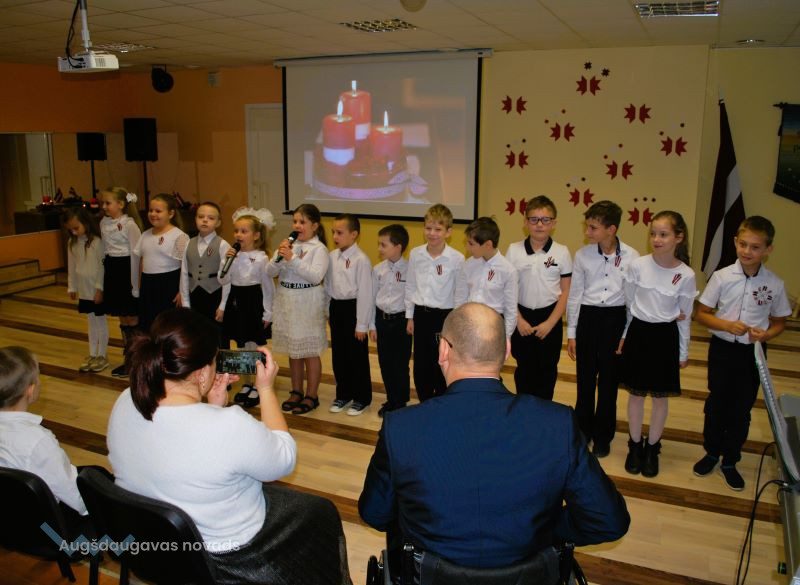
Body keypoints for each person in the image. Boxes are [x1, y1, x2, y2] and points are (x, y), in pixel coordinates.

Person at [359, 303, 629, 572]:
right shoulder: (557, 425)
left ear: (443, 351)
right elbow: (609, 521)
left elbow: (375, 513)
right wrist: (547, 529)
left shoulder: (401, 428)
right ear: (507, 350)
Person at [107, 308, 352, 585]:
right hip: (225, 557)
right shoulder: (228, 425)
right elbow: (284, 459)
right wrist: (266, 390)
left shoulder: (125, 400)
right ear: (201, 373)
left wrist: (212, 407)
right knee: (321, 512)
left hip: (151, 548)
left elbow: (184, 447)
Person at [693, 216, 792, 490]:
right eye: (743, 244)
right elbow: (701, 314)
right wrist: (726, 325)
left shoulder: (775, 284)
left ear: (768, 249)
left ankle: (730, 460)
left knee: (741, 408)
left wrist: (766, 334)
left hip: (752, 353)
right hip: (722, 350)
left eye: (755, 247)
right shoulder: (722, 277)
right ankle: (712, 452)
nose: (747, 251)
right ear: (736, 242)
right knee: (716, 403)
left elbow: (780, 321)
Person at [619, 210, 697, 478]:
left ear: (678, 237)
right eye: (653, 233)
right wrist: (625, 336)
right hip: (639, 334)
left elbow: (685, 318)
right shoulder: (638, 266)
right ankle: (634, 445)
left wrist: (683, 351)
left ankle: (653, 448)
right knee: (636, 394)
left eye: (663, 234)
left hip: (665, 338)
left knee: (661, 397)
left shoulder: (686, 275)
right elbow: (630, 306)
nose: (656, 239)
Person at [566, 201, 640, 458]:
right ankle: (583, 430)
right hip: (588, 318)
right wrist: (572, 333)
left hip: (615, 320)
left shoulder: (632, 257)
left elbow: (633, 300)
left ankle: (603, 435)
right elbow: (575, 295)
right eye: (587, 226)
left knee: (609, 383)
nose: (587, 232)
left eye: (593, 228)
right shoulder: (582, 255)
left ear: (611, 229)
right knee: (585, 380)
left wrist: (626, 334)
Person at [0, 346, 91, 536]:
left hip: (8, 522)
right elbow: (77, 499)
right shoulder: (37, 441)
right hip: (48, 533)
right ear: (30, 391)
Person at [506, 195, 572, 400]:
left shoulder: (562, 252)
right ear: (525, 222)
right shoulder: (514, 250)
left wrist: (550, 323)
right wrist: (518, 320)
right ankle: (524, 412)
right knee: (524, 370)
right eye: (534, 219)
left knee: (547, 371)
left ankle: (544, 413)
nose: (539, 225)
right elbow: (507, 290)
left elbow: (566, 291)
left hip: (550, 318)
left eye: (545, 220)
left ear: (554, 223)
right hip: (522, 317)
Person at [268, 204, 330, 416]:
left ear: (315, 225)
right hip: (287, 299)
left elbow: (315, 276)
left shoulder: (319, 249)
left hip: (307, 301)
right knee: (294, 350)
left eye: (302, 222)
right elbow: (269, 271)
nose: (297, 225)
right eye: (295, 221)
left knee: (309, 350)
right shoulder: (288, 245)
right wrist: (279, 258)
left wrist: (292, 259)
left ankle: (311, 395)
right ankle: (296, 391)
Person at [405, 204, 465, 402]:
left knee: (441, 360)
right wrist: (409, 316)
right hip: (421, 314)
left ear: (448, 232)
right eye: (428, 228)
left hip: (444, 317)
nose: (432, 233)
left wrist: (455, 322)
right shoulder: (416, 254)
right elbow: (410, 286)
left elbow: (460, 294)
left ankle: (440, 401)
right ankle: (424, 401)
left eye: (438, 229)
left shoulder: (456, 259)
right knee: (421, 362)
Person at [218, 207, 276, 408]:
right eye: (236, 231)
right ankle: (246, 383)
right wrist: (227, 261)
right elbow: (222, 280)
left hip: (253, 301)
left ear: (256, 235)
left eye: (244, 231)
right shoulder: (231, 255)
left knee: (254, 343)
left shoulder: (261, 257)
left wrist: (268, 312)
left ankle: (258, 384)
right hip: (236, 301)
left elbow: (268, 287)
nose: (238, 235)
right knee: (241, 344)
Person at [326, 214, 373, 416]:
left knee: (357, 356)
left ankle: (361, 397)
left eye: (339, 232)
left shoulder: (361, 260)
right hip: (337, 308)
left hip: (353, 309)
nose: (335, 237)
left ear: (354, 234)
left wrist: (362, 324)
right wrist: (327, 310)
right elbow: (328, 286)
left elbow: (365, 293)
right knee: (339, 354)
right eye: (333, 232)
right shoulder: (331, 256)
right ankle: (343, 393)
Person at [99, 187, 142, 378]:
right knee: (122, 317)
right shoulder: (104, 223)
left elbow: (136, 255)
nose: (104, 206)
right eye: (103, 203)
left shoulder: (129, 225)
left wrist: (135, 285)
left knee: (132, 317)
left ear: (121, 204)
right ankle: (129, 358)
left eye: (108, 203)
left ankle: (138, 359)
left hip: (127, 270)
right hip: (113, 271)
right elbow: (105, 250)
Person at [369, 224, 412, 417]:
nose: (379, 248)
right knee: (385, 363)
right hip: (382, 320)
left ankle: (400, 401)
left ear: (398, 247)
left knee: (400, 364)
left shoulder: (410, 270)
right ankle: (391, 398)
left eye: (383, 245)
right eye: (379, 244)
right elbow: (372, 298)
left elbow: (411, 297)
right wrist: (372, 325)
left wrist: (411, 319)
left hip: (401, 321)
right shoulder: (378, 270)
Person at [133, 193, 189, 334]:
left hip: (169, 285)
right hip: (148, 285)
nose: (153, 214)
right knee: (149, 324)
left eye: (158, 211)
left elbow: (185, 266)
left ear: (171, 214)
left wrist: (182, 292)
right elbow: (142, 262)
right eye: (151, 210)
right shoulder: (145, 235)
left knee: (166, 326)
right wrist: (139, 286)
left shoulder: (179, 236)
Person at [454, 216, 518, 338]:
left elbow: (511, 311)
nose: (467, 247)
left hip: (493, 327)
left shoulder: (508, 270)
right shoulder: (467, 265)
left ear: (488, 245)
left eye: (471, 243)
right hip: (469, 324)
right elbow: (459, 301)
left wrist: (506, 338)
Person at [63, 207, 109, 373]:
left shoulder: (97, 242)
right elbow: (71, 266)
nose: (74, 232)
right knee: (91, 322)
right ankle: (92, 354)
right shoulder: (72, 243)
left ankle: (102, 355)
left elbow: (102, 266)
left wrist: (99, 288)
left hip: (96, 289)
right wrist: (72, 286)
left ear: (86, 223)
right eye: (71, 229)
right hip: (84, 289)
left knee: (100, 322)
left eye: (76, 228)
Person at [180, 201, 231, 328]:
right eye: (200, 216)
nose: (205, 220)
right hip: (194, 296)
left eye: (211, 218)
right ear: (195, 219)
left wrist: (223, 305)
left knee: (214, 331)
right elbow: (184, 273)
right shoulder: (188, 243)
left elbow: (228, 278)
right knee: (195, 331)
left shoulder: (223, 245)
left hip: (214, 295)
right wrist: (185, 303)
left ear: (218, 223)